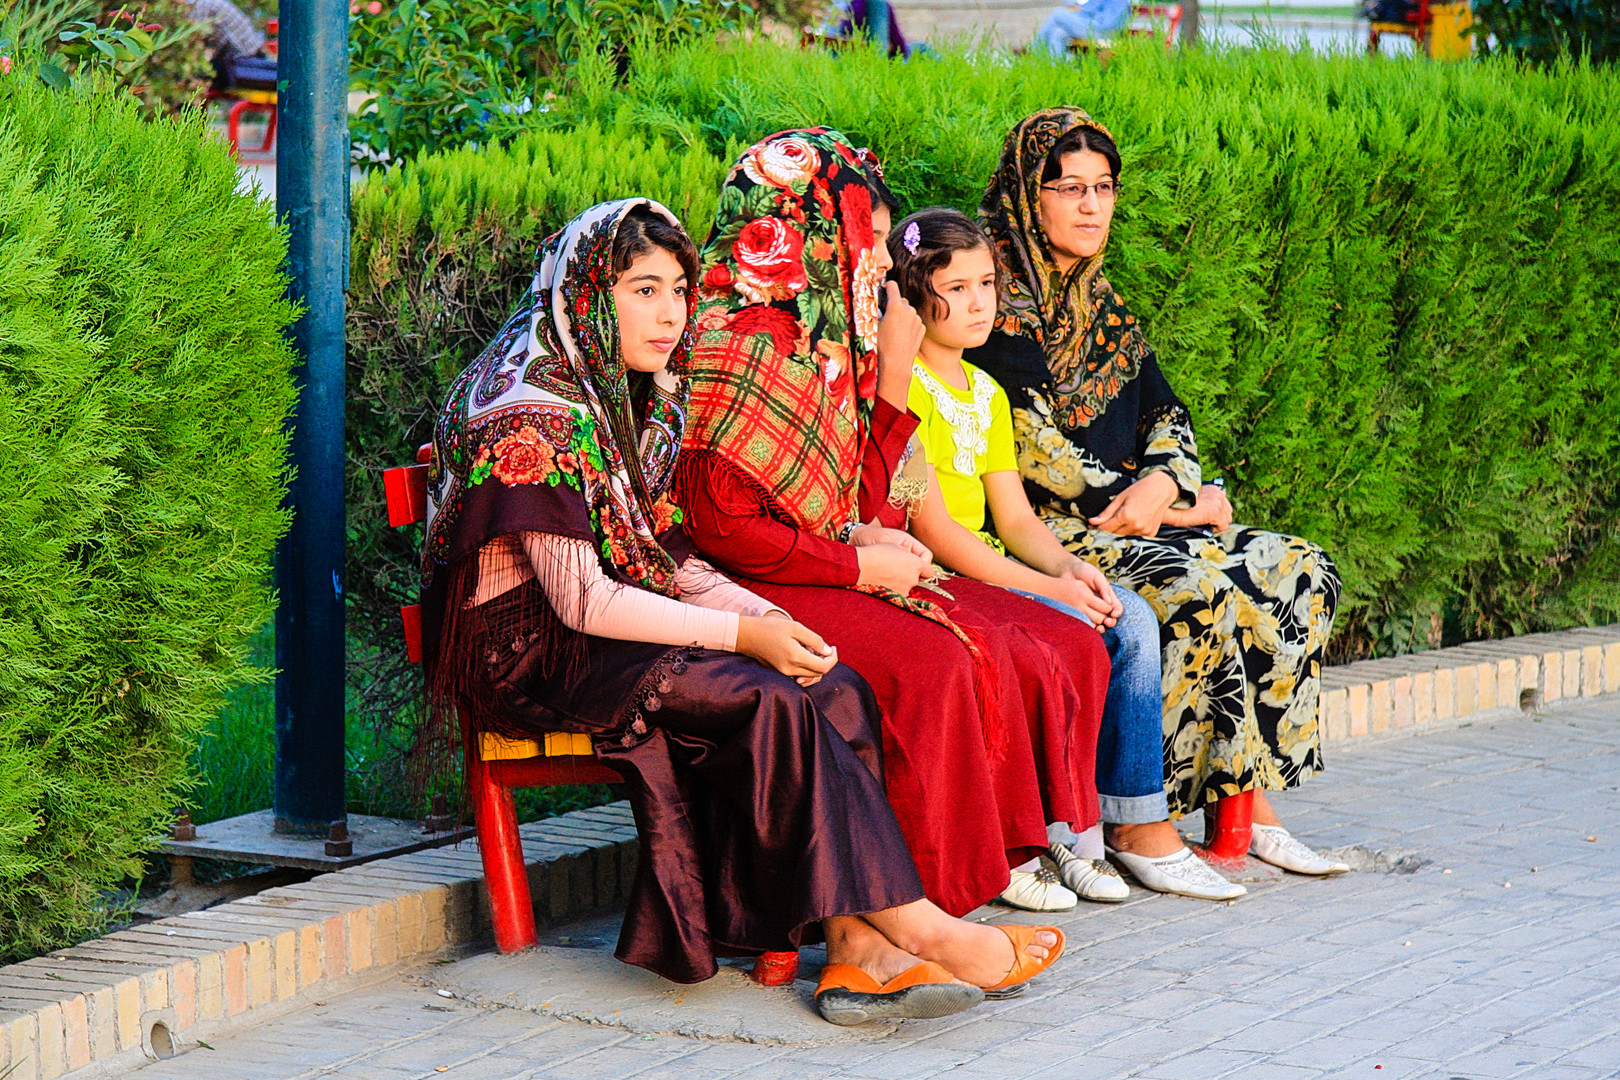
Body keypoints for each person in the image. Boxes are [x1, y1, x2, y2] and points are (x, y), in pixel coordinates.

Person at [419, 197, 1064, 1025]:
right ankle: (916, 922)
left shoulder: (627, 393)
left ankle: (856, 951)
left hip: (614, 622)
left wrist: (772, 623)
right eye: (641, 289)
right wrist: (742, 634)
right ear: (587, 291)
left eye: (680, 290)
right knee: (763, 694)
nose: (668, 313)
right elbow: (579, 598)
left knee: (834, 681)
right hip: (532, 651)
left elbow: (671, 555)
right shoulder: (525, 408)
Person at [677, 127, 1112, 919]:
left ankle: (961, 886)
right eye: (865, 239)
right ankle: (931, 905)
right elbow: (723, 530)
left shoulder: (826, 338)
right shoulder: (735, 345)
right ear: (804, 232)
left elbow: (856, 493)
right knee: (936, 663)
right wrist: (856, 565)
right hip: (748, 582)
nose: (878, 263)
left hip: (812, 560)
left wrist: (885, 389)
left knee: (964, 645)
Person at [966, 108, 1349, 878]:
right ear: (1026, 197)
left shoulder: (1101, 305)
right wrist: (1176, 508)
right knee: (1195, 582)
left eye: (1103, 187)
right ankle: (1150, 816)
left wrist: (1168, 480)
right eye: (1068, 187)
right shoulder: (994, 305)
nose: (1090, 206)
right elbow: (1035, 451)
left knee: (1301, 567)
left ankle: (1249, 800)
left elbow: (1166, 412)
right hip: (1054, 530)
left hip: (1140, 517)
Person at [887, 206, 1245, 901]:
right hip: (943, 570)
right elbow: (938, 533)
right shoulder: (906, 389)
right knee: (1064, 634)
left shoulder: (985, 394)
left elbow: (1014, 515)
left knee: (1128, 619)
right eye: (956, 287)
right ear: (912, 291)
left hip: (993, 559)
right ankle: (1053, 836)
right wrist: (1046, 591)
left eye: (987, 282)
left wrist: (1067, 567)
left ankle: (1124, 824)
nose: (979, 301)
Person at [1035, 0, 1132, 54]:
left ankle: (1033, 52)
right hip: (1096, 28)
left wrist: (1079, 12)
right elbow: (1085, 10)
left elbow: (1107, 24)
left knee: (1058, 14)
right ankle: (1061, 70)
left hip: (1105, 32)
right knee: (1058, 32)